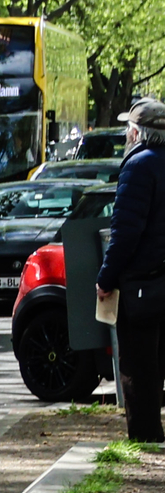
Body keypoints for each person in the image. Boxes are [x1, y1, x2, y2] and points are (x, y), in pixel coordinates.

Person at [96, 97, 165, 444]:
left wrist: (105, 280)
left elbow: (125, 233)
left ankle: (146, 439)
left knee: (139, 368)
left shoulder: (138, 167)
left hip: (142, 286)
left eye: (128, 130)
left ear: (136, 133)